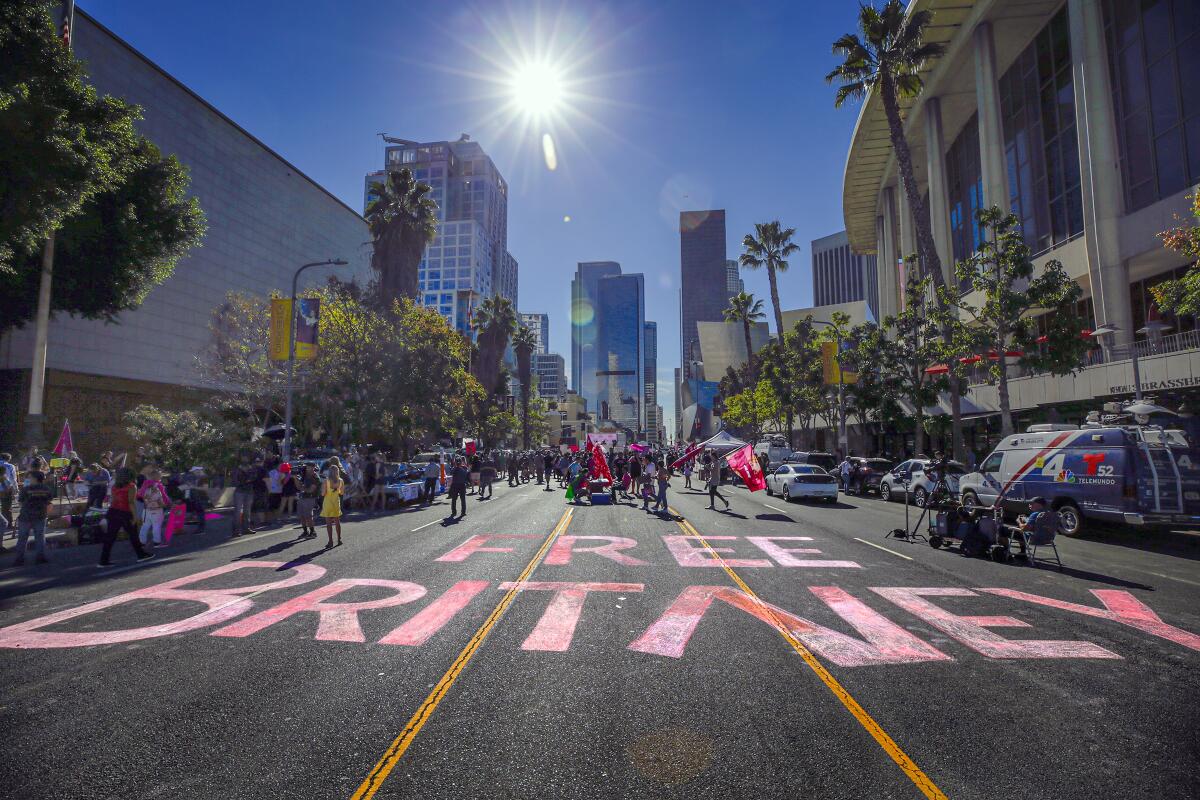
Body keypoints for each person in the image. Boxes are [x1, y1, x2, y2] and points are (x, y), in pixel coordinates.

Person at [99, 468, 153, 567]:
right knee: (133, 535)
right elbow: (131, 502)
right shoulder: (132, 486)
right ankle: (141, 554)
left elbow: (114, 500)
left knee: (110, 537)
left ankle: (103, 560)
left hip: (113, 511)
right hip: (125, 512)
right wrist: (135, 516)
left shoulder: (114, 486)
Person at [12, 470, 54, 566]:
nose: (28, 479)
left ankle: (19, 559)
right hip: (40, 516)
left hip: (26, 516)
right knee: (40, 537)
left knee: (22, 538)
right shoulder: (46, 489)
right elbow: (49, 501)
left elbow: (20, 502)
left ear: (35, 478)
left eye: (30, 477)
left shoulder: (26, 489)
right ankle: (40, 557)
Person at [137, 468, 170, 548]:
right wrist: (167, 503)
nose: (161, 477)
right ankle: (157, 542)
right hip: (157, 509)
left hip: (146, 510)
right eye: (160, 476)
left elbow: (139, 496)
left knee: (145, 526)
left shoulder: (144, 487)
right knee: (156, 526)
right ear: (157, 477)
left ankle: (142, 543)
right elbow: (163, 498)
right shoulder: (158, 487)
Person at [230, 455, 258, 537]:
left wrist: (247, 479)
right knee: (237, 512)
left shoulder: (251, 467)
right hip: (239, 491)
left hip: (249, 491)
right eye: (243, 456)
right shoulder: (236, 468)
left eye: (246, 457)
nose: (245, 458)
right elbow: (235, 480)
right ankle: (236, 531)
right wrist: (246, 480)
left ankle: (246, 528)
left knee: (247, 511)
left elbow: (254, 477)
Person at [320, 465, 344, 547]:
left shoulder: (326, 481)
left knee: (329, 523)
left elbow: (323, 494)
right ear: (337, 471)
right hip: (336, 503)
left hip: (327, 503)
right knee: (337, 522)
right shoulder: (341, 481)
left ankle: (330, 541)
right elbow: (341, 493)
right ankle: (339, 539)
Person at [297, 464, 320, 538]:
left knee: (308, 516)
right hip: (302, 497)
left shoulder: (315, 477)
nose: (307, 468)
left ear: (313, 468)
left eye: (309, 467)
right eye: (307, 467)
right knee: (302, 516)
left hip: (310, 498)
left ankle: (313, 532)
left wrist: (303, 489)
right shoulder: (305, 476)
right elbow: (298, 487)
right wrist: (295, 479)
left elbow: (311, 490)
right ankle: (305, 531)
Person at [0, 452, 17, 546]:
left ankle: (2, 522)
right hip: (6, 489)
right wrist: (16, 489)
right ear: (9, 459)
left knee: (3, 507)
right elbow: (13, 479)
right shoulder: (10, 466)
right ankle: (8, 524)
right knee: (7, 507)